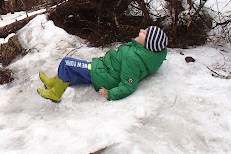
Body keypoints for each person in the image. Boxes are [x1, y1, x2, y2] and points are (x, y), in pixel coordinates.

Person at [38, 26, 168, 102]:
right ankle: (52, 82)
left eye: (144, 33)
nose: (141, 30)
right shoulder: (141, 53)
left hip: (104, 75)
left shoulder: (133, 58)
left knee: (67, 63)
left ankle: (56, 93)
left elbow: (128, 85)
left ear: (148, 43)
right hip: (105, 69)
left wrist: (110, 94)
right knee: (76, 70)